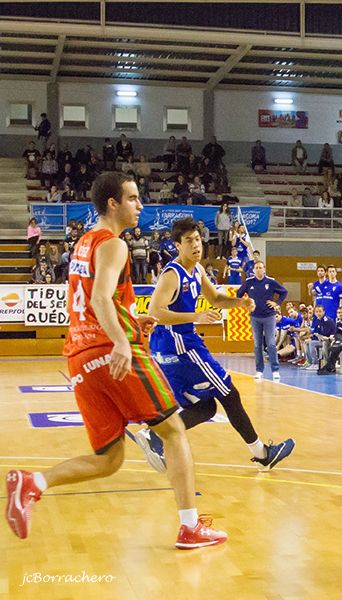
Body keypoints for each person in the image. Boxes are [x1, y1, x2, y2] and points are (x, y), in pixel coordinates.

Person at [5, 171, 226, 549]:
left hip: (78, 357)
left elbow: (92, 300)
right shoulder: (114, 244)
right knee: (173, 430)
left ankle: (33, 483)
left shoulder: (82, 244)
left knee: (109, 459)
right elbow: (99, 299)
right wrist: (122, 340)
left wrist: (128, 319)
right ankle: (190, 527)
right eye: (133, 198)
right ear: (113, 203)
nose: (140, 205)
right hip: (108, 352)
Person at [144, 217, 294, 472]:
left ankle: (156, 436)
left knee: (205, 407)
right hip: (179, 343)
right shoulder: (173, 274)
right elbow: (154, 312)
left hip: (172, 347)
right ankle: (262, 455)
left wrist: (240, 302)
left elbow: (214, 298)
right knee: (229, 392)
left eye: (198, 239)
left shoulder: (198, 270)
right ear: (177, 245)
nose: (196, 245)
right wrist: (196, 317)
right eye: (189, 241)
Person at [237, 261, 288, 380]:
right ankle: (259, 370)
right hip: (254, 317)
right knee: (257, 344)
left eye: (261, 268)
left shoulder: (270, 282)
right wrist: (245, 303)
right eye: (257, 268)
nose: (259, 270)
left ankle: (275, 370)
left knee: (271, 343)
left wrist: (277, 303)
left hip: (269, 316)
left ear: (264, 269)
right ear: (253, 270)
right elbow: (239, 294)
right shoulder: (249, 282)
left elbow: (284, 292)